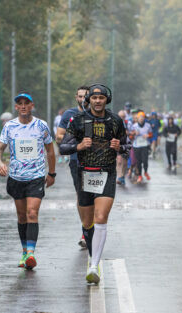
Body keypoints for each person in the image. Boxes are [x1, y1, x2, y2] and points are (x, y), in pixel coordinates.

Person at [60, 84, 130, 284]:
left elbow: (127, 146)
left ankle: (94, 264)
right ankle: (94, 258)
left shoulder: (115, 120)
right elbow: (63, 147)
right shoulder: (78, 120)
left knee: (101, 217)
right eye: (94, 98)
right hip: (85, 174)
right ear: (88, 100)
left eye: (101, 98)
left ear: (106, 100)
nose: (98, 101)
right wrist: (79, 145)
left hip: (107, 173)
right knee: (87, 222)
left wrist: (120, 146)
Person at [0, 91, 56, 270]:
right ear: (16, 107)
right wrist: (0, 163)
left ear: (31, 106)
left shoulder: (41, 126)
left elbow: (50, 151)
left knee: (32, 213)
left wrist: (51, 173)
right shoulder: (9, 127)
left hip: (36, 177)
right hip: (16, 177)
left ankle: (31, 253)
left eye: (26, 103)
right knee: (22, 216)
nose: (23, 106)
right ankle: (24, 251)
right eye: (19, 103)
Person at [56, 85, 90, 249]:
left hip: (97, 161)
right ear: (76, 97)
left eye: (86, 96)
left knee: (96, 196)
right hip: (77, 160)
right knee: (81, 196)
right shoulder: (69, 115)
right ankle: (85, 230)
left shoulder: (99, 114)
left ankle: (93, 226)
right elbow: (59, 137)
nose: (83, 99)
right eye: (80, 96)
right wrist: (75, 140)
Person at [132, 111, 152, 183]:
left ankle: (146, 172)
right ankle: (140, 175)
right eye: (140, 117)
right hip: (137, 145)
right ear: (137, 118)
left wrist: (148, 135)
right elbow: (130, 136)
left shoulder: (148, 125)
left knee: (145, 160)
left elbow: (151, 134)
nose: (141, 119)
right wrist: (134, 133)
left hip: (145, 145)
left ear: (144, 118)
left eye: (142, 117)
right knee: (139, 161)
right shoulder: (134, 126)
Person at [116, 110, 129, 185]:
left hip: (126, 144)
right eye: (120, 116)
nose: (122, 118)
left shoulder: (128, 123)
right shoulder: (115, 123)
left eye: (123, 116)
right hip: (118, 144)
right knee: (119, 160)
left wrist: (129, 133)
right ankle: (119, 176)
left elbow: (133, 131)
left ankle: (123, 176)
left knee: (124, 163)